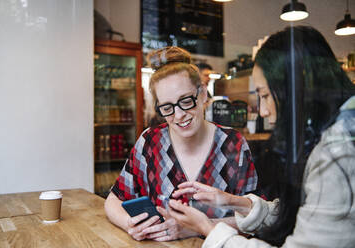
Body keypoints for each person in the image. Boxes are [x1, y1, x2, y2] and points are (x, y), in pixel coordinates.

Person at [167, 26, 355, 247]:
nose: (263, 111)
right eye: (167, 107)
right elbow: (301, 211)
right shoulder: (331, 134)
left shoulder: (339, 152)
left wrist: (208, 228)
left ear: (297, 90)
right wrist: (232, 201)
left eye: (265, 96)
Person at [104, 46, 258, 241]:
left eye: (186, 101)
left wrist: (194, 228)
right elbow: (113, 200)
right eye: (167, 107)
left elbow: (254, 217)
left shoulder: (233, 144)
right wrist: (130, 224)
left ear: (202, 94)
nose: (178, 115)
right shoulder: (150, 142)